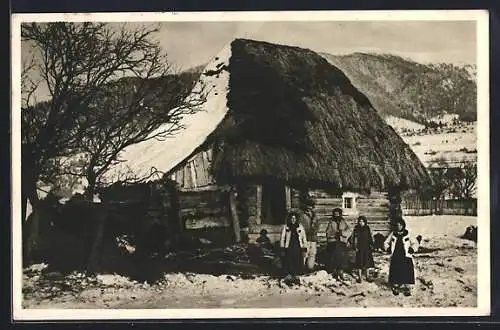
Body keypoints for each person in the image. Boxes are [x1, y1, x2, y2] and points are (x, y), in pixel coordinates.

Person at [384, 217, 420, 296]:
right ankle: (396, 286)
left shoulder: (408, 233)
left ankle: (407, 288)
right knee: (396, 270)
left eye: (400, 225)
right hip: (396, 255)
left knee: (406, 271)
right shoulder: (393, 234)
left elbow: (415, 243)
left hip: (405, 255)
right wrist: (388, 248)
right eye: (397, 225)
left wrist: (412, 249)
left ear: (403, 225)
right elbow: (386, 242)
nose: (398, 227)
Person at [279, 211, 308, 284]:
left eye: (295, 218)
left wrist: (304, 248)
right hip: (289, 246)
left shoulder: (300, 226)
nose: (293, 220)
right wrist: (282, 248)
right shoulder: (286, 227)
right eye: (292, 218)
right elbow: (282, 238)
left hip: (298, 246)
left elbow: (304, 238)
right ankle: (289, 275)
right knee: (289, 260)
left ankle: (296, 274)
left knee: (297, 260)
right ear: (290, 219)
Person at [326, 208, 351, 281]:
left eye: (338, 214)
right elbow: (327, 232)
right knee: (334, 257)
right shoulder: (331, 222)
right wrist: (333, 234)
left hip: (341, 242)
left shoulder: (344, 222)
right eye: (335, 214)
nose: (336, 215)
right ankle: (334, 272)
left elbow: (349, 230)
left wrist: (342, 233)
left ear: (340, 214)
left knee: (342, 258)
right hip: (333, 242)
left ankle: (341, 272)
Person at [351, 216, 375, 283]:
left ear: (365, 222)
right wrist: (355, 246)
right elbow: (354, 238)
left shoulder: (367, 228)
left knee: (367, 262)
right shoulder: (356, 229)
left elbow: (370, 237)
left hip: (367, 247)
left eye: (362, 221)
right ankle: (360, 277)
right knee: (359, 262)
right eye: (360, 221)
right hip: (359, 248)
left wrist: (372, 244)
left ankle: (367, 276)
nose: (361, 223)